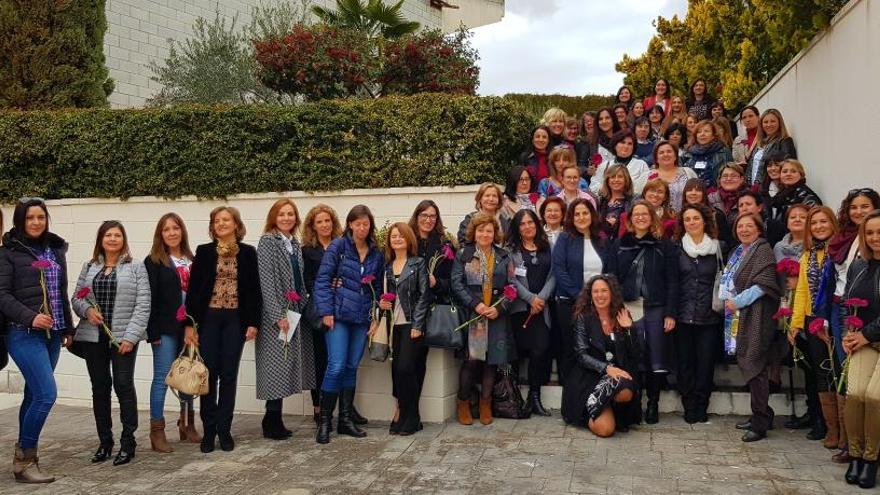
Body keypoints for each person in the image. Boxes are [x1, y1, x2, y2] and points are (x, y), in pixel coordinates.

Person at [0, 198, 74, 483]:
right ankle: (24, 459)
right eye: (29, 217)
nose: (35, 222)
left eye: (40, 217)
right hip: (23, 332)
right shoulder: (8, 253)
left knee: (33, 394)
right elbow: (2, 295)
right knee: (46, 394)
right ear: (20, 220)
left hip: (53, 334)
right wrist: (31, 317)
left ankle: (26, 457)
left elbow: (61, 290)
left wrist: (67, 327)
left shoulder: (54, 249)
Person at [72, 221, 151, 465]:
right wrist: (86, 311)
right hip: (93, 336)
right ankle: (105, 441)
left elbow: (143, 304)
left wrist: (130, 337)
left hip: (123, 338)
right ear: (101, 239)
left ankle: (128, 442)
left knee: (123, 385)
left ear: (124, 240)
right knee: (100, 387)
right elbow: (76, 298)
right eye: (108, 235)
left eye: (118, 235)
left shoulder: (136, 267)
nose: (113, 239)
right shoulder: (90, 266)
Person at [184, 206, 261, 453]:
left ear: (236, 224)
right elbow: (194, 290)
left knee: (229, 374)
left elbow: (254, 291)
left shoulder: (248, 253)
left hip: (235, 320)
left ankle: (225, 430)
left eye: (226, 220)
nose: (221, 224)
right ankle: (209, 431)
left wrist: (253, 322)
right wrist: (190, 324)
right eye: (217, 221)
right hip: (209, 320)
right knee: (209, 375)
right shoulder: (204, 252)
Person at [313, 205, 384, 444]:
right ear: (350, 224)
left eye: (366, 224)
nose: (362, 228)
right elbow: (323, 280)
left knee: (352, 366)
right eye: (358, 223)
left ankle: (345, 420)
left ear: (370, 225)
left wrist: (376, 316)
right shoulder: (338, 247)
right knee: (336, 365)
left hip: (362, 317)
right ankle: (324, 422)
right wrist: (326, 311)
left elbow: (379, 289)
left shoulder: (376, 253)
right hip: (339, 315)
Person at [607, 201, 678, 424]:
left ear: (652, 217)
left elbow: (673, 281)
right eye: (636, 214)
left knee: (656, 356)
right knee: (632, 354)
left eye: (644, 214)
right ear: (629, 220)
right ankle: (634, 402)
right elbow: (611, 278)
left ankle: (653, 404)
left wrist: (670, 313)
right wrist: (615, 308)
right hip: (629, 306)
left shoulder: (664, 245)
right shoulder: (619, 245)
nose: (640, 218)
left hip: (656, 307)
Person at [256, 199, 316, 440]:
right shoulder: (268, 242)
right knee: (275, 365)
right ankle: (271, 419)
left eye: (290, 214)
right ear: (274, 217)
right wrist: (278, 315)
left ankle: (275, 418)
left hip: (294, 311)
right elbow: (267, 281)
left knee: (287, 363)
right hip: (278, 314)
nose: (287, 218)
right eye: (282, 214)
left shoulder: (294, 243)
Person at [720, 213, 781, 442]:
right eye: (740, 226)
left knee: (755, 364)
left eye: (749, 226)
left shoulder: (763, 249)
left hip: (757, 314)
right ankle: (762, 413)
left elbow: (764, 284)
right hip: (741, 315)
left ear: (759, 229)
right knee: (749, 362)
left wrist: (738, 301)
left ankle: (760, 421)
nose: (744, 230)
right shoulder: (739, 251)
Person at [451, 213, 515, 426]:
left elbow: (512, 287)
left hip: (496, 317)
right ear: (474, 232)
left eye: (489, 230)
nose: (485, 234)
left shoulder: (504, 256)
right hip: (475, 316)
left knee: (491, 363)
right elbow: (457, 284)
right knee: (473, 361)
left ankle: (486, 402)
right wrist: (475, 304)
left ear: (495, 233)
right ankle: (463, 402)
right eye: (481, 230)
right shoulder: (464, 254)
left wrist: (500, 308)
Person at [144, 213, 200, 453]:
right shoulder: (154, 260)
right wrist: (152, 332)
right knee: (162, 379)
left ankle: (187, 423)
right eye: (166, 229)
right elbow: (150, 299)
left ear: (182, 231)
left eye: (176, 228)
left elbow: (198, 295)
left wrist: (194, 325)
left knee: (188, 375)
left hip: (190, 326)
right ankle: (157, 431)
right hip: (165, 328)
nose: (172, 233)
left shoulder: (192, 258)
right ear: (161, 234)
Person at [561, 275, 641, 436]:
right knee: (605, 430)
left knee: (625, 392)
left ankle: (612, 409)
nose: (600, 295)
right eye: (595, 291)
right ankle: (590, 410)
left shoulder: (622, 315)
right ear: (590, 295)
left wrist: (629, 329)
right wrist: (606, 369)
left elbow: (635, 354)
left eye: (604, 290)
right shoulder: (583, 317)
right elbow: (581, 355)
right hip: (589, 378)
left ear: (612, 293)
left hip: (616, 377)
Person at [790, 206, 843, 451]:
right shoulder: (808, 254)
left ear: (833, 223)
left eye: (824, 222)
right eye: (814, 223)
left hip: (835, 318)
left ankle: (845, 430)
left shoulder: (840, 252)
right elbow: (801, 290)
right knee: (821, 372)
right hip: (812, 320)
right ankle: (830, 428)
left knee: (838, 372)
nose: (819, 227)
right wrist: (795, 323)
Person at [301, 205, 351, 425]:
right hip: (320, 310)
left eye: (327, 221)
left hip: (343, 308)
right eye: (319, 222)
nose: (324, 225)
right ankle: (319, 408)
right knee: (321, 359)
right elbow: (304, 280)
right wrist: (326, 284)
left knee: (341, 360)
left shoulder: (343, 246)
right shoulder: (307, 251)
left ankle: (346, 408)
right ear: (313, 226)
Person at [841, 209, 880, 488]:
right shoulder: (857, 266)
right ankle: (855, 455)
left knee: (875, 397)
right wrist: (848, 332)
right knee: (854, 395)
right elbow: (849, 303)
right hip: (862, 340)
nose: (875, 238)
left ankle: (871, 459)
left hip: (871, 337)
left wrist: (865, 334)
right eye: (870, 233)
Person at [380, 222, 430, 436]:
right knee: (397, 373)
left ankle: (411, 416)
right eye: (393, 236)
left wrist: (417, 325)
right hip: (394, 327)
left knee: (406, 369)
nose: (397, 239)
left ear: (408, 239)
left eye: (401, 236)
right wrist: (381, 304)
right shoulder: (387, 267)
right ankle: (407, 416)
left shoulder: (418, 263)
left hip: (412, 324)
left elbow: (424, 296)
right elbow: (385, 297)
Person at [675, 204, 723, 423]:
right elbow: (672, 282)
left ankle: (702, 405)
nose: (691, 222)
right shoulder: (676, 248)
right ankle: (689, 404)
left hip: (709, 316)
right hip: (682, 315)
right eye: (687, 219)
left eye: (696, 218)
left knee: (705, 363)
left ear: (705, 221)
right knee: (685, 363)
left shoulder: (718, 248)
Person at [552, 199, 608, 385]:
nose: (581, 217)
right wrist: (580, 296)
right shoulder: (565, 238)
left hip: (597, 304)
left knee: (593, 349)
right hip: (569, 302)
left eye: (585, 213)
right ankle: (569, 393)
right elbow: (560, 270)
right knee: (570, 349)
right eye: (577, 214)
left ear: (592, 215)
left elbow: (608, 272)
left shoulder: (601, 239)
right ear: (571, 217)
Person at [507, 209, 555, 416]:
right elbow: (511, 280)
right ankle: (514, 397)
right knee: (515, 353)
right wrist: (530, 298)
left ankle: (534, 397)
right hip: (519, 309)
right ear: (517, 228)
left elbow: (554, 275)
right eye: (522, 224)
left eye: (531, 222)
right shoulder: (510, 251)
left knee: (541, 348)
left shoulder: (548, 248)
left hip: (540, 309)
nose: (527, 227)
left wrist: (541, 299)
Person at [590, 129, 650, 197]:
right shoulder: (605, 165)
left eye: (630, 144)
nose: (626, 146)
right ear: (615, 145)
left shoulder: (641, 165)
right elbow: (593, 187)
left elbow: (646, 187)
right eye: (622, 142)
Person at [682, 178, 733, 253]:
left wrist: (709, 246)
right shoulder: (680, 216)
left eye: (698, 190)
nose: (693, 193)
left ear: (704, 194)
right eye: (689, 190)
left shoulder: (716, 215)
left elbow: (728, 244)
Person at [749, 109, 797, 185]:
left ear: (779, 123)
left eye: (773, 121)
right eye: (765, 122)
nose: (769, 125)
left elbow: (789, 166)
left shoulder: (785, 141)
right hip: (755, 187)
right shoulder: (760, 144)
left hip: (772, 187)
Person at [651, 141, 697, 214]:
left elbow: (698, 194)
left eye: (669, 151)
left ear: (675, 156)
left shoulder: (688, 172)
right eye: (661, 152)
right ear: (656, 158)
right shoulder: (647, 176)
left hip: (686, 219)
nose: (665, 154)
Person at [684, 121, 734, 188]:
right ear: (696, 136)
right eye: (699, 132)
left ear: (713, 135)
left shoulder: (723, 152)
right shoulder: (687, 154)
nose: (702, 134)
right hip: (693, 193)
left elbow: (730, 174)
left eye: (706, 131)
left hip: (716, 193)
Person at [597, 164, 635, 241]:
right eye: (613, 177)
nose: (616, 180)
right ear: (608, 180)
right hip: (601, 243)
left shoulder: (633, 202)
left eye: (620, 177)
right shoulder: (600, 201)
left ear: (626, 180)